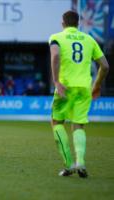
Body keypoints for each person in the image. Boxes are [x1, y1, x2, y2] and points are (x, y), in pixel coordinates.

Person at [49, 11, 109, 178]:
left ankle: (68, 165)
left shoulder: (56, 37)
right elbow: (105, 66)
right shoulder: (89, 40)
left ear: (63, 23)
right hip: (84, 88)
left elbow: (55, 56)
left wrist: (56, 82)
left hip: (65, 87)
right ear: (78, 23)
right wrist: (96, 86)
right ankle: (80, 162)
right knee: (78, 125)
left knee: (56, 122)